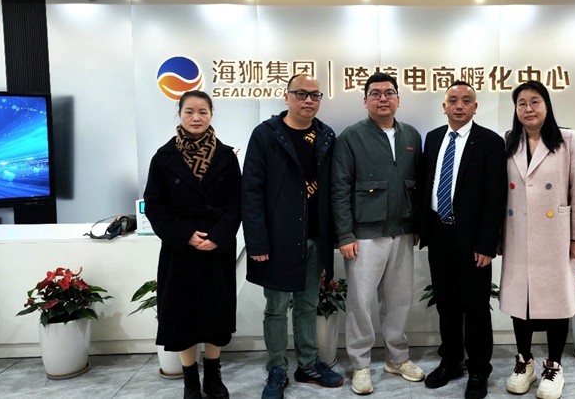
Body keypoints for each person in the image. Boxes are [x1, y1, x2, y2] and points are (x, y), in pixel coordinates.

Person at [242, 74, 343, 399]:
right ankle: (276, 368)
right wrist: (257, 241)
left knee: (307, 305)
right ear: (286, 97)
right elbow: (251, 191)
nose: (308, 100)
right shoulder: (266, 135)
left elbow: (334, 190)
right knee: (276, 307)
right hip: (277, 240)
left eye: (315, 95)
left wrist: (336, 235)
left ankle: (308, 365)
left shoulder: (326, 136)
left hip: (315, 238)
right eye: (301, 94)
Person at [143, 90, 242, 399]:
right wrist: (185, 235)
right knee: (182, 318)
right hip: (180, 251)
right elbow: (154, 206)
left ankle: (213, 377)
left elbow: (237, 203)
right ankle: (190, 382)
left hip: (216, 249)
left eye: (202, 111)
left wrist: (217, 236)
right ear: (180, 114)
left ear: (211, 114)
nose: (196, 117)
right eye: (189, 112)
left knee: (216, 315)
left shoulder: (227, 156)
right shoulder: (163, 157)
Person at [331, 72, 425, 395]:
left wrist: (417, 226)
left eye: (389, 92)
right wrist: (345, 234)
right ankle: (360, 364)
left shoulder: (411, 135)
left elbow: (419, 185)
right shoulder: (351, 137)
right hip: (364, 235)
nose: (383, 98)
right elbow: (340, 188)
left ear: (398, 98)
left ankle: (397, 358)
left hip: (402, 232)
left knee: (399, 300)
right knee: (360, 301)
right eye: (375, 93)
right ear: (365, 101)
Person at [499, 81, 575, 399]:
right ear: (516, 110)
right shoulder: (509, 141)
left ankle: (554, 365)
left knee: (556, 302)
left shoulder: (567, 139)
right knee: (520, 301)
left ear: (547, 105)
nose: (528, 108)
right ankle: (524, 362)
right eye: (521, 103)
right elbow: (499, 193)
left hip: (555, 235)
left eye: (535, 101)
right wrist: (497, 236)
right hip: (517, 233)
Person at [418, 81, 507, 399]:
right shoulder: (433, 138)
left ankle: (479, 369)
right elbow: (425, 184)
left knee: (476, 306)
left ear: (475, 107)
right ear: (444, 106)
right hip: (439, 232)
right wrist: (421, 227)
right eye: (453, 100)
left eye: (466, 100)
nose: (459, 105)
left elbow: (495, 196)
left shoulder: (490, 142)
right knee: (446, 303)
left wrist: (486, 243)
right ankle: (451, 362)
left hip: (473, 240)